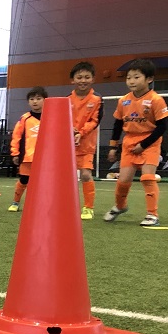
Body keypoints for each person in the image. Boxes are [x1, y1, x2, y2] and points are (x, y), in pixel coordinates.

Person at [103, 58, 168, 227]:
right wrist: (113, 146)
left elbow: (162, 126)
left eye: (136, 77)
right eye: (128, 78)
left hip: (150, 142)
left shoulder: (156, 100)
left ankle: (152, 214)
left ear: (149, 79)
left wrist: (144, 145)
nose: (131, 81)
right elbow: (117, 125)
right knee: (123, 181)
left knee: (147, 177)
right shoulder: (123, 101)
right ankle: (120, 206)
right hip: (129, 142)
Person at [68, 61, 103, 220]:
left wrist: (80, 133)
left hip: (87, 144)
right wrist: (70, 130)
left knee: (86, 175)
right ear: (72, 80)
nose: (83, 80)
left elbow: (95, 121)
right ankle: (66, 205)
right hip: (68, 145)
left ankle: (88, 207)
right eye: (79, 77)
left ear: (93, 79)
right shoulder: (67, 99)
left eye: (87, 77)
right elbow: (61, 120)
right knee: (65, 177)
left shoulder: (97, 100)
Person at [8, 86, 46, 212]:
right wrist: (15, 153)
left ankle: (41, 204)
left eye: (38, 98)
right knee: (24, 180)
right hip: (27, 157)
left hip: (46, 158)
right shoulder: (25, 118)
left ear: (45, 100)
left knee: (44, 182)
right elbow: (16, 136)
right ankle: (16, 202)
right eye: (32, 99)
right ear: (28, 101)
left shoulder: (50, 117)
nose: (35, 101)